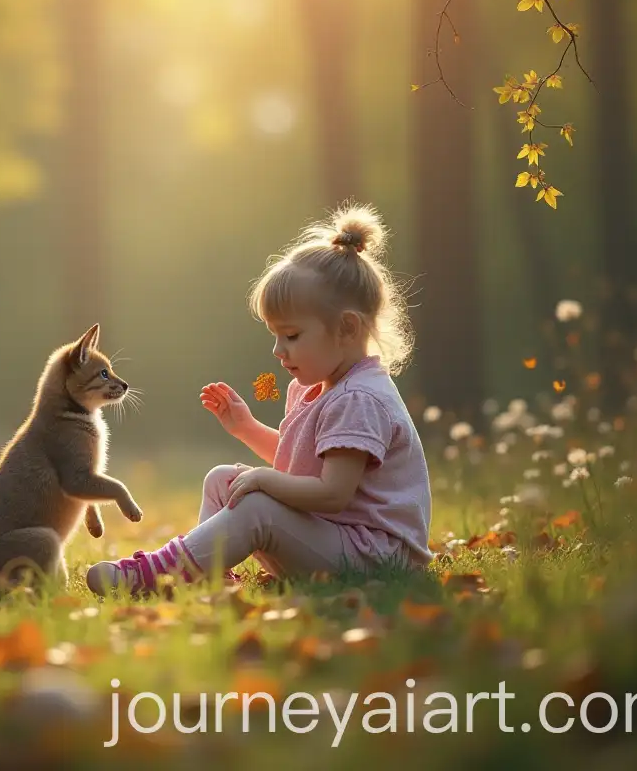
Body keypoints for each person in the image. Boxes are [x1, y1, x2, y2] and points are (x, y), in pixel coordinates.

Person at [85, 202, 432, 596]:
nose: (278, 351)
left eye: (292, 336)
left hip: (376, 557)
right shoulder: (317, 386)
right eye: (275, 335)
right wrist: (245, 428)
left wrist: (264, 481)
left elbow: (333, 493)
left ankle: (157, 575)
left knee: (258, 505)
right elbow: (303, 464)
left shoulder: (359, 398)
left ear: (346, 328)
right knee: (223, 482)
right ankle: (207, 570)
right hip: (336, 540)